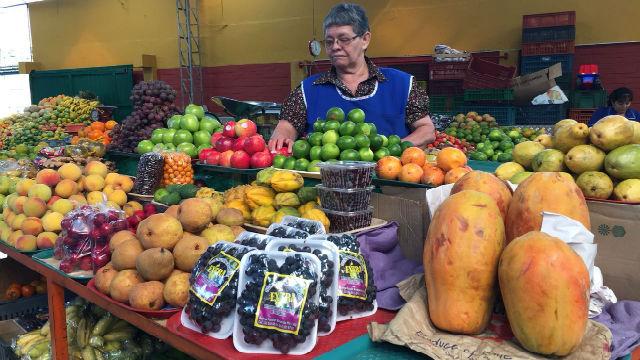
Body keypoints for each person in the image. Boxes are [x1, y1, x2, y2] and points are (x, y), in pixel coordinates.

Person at [268, 3, 435, 152]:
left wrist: (392, 152)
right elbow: (286, 126)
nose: (335, 47)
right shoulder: (307, 89)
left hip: (388, 181)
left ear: (365, 39)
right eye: (329, 41)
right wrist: (282, 137)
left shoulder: (402, 84)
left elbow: (426, 130)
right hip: (325, 183)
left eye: (344, 39)